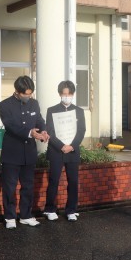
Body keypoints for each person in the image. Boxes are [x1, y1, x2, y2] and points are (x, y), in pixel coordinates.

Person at [0, 75, 49, 229]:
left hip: (29, 152)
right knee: (10, 187)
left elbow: (39, 120)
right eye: (25, 94)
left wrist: (44, 131)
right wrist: (30, 133)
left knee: (28, 186)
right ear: (17, 91)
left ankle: (26, 215)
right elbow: (10, 126)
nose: (28, 96)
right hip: (12, 153)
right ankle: (10, 217)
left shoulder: (34, 103)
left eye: (30, 93)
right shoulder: (5, 105)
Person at [43, 81, 87, 222]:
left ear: (73, 94)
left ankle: (71, 210)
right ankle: (50, 209)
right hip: (56, 150)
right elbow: (50, 130)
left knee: (73, 181)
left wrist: (72, 146)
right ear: (60, 94)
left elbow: (81, 131)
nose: (66, 96)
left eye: (69, 94)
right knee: (54, 180)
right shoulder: (52, 110)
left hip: (72, 151)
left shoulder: (79, 111)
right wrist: (61, 146)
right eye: (64, 94)